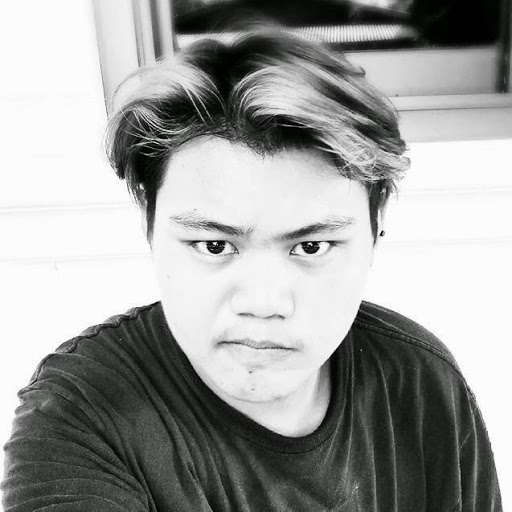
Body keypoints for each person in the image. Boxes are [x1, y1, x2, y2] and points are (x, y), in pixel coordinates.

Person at [2, 29, 502, 511]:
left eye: (311, 247)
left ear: (375, 233)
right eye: (214, 245)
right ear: (150, 228)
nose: (264, 303)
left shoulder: (419, 381)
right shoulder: (82, 413)